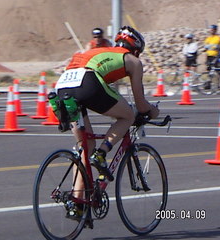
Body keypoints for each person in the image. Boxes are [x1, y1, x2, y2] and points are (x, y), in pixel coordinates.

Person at [55, 26, 159, 199]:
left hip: (62, 86)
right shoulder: (132, 60)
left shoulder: (101, 50)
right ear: (135, 49)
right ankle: (101, 154)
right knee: (128, 115)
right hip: (86, 81)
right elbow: (141, 106)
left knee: (85, 147)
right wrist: (154, 111)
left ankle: (78, 202)